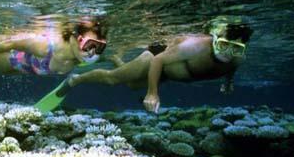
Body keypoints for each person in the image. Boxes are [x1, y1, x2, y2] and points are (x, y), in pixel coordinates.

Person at [52, 16, 253, 113]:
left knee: (131, 85)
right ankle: (76, 79)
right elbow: (159, 60)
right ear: (216, 38)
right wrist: (152, 93)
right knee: (113, 79)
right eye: (224, 45)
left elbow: (230, 68)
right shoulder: (193, 47)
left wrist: (229, 82)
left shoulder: (237, 58)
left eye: (235, 48)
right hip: (157, 58)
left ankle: (116, 60)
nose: (228, 53)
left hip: (167, 73)